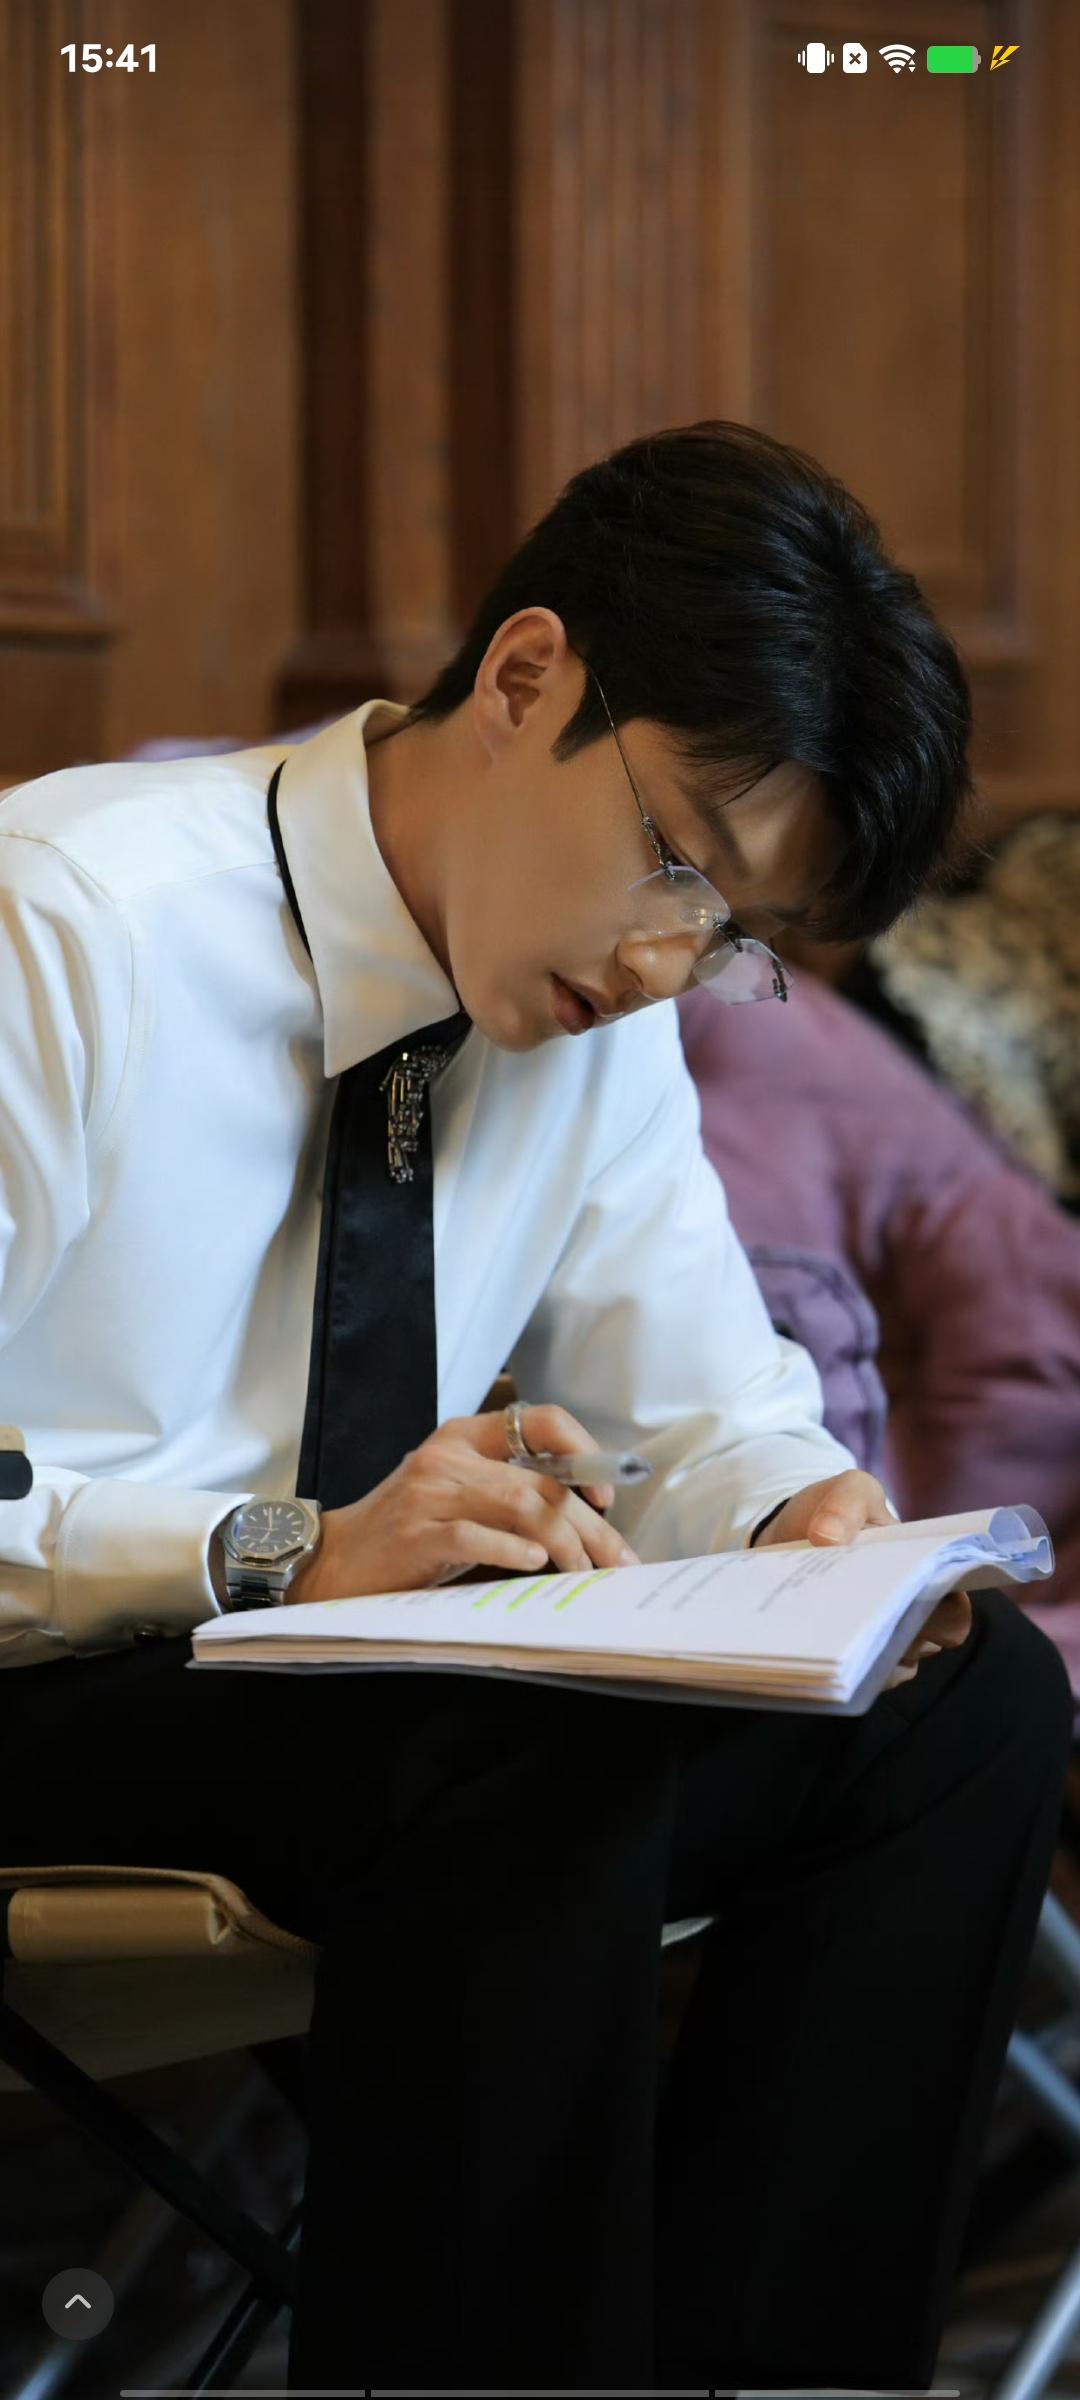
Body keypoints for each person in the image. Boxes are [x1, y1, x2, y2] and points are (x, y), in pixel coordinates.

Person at [0, 419, 1071, 2394]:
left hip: (363, 1726)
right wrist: (282, 1556)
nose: (672, 960)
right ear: (522, 677)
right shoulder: (68, 919)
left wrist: (805, 1524)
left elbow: (712, 1409)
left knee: (966, 1707)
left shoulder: (600, 1021)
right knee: (510, 1734)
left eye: (736, 936)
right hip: (50, 1674)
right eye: (681, 861)